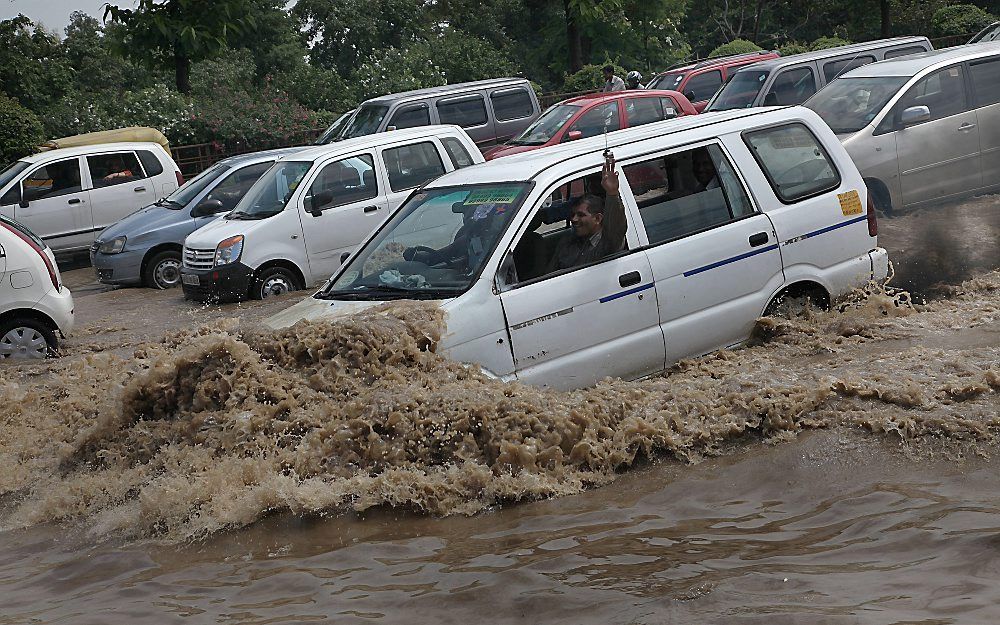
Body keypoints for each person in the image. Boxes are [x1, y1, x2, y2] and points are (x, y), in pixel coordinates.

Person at [546, 152, 626, 272]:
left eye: (581, 215)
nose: (574, 219)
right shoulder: (567, 242)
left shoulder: (608, 243)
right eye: (573, 214)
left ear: (598, 218)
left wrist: (612, 193)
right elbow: (550, 275)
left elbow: (617, 225)